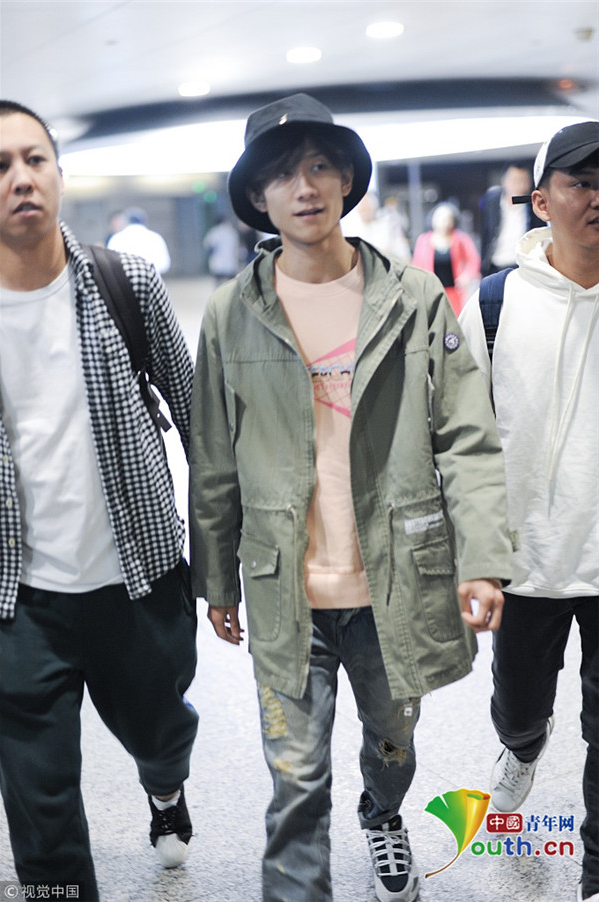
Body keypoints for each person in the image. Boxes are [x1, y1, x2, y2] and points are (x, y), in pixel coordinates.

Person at [188, 92, 512, 902]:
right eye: (281, 175)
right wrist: (217, 578)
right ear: (258, 198)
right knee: (295, 781)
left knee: (393, 745)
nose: (304, 187)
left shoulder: (412, 296)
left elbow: (466, 436)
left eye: (319, 167)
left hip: (394, 580)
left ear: (345, 181)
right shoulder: (231, 313)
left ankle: (382, 812)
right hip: (285, 590)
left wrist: (482, 559)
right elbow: (214, 457)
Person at [0, 100, 199, 900]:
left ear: (59, 172)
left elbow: (199, 419)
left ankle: (165, 787)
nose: (20, 178)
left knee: (161, 733)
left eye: (33, 159)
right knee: (39, 806)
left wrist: (224, 560)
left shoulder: (127, 283)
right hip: (18, 601)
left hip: (138, 581)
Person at [459, 120, 599, 902]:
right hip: (526, 560)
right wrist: (472, 554)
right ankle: (520, 748)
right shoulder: (495, 302)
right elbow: (458, 436)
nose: (598, 197)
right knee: (520, 707)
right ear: (542, 201)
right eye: (582, 183)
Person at [412, 202, 480, 315]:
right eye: (439, 218)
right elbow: (417, 266)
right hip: (433, 293)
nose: (443, 223)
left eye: (447, 219)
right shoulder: (423, 241)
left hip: (455, 293)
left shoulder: (460, 239)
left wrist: (466, 276)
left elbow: (473, 260)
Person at [479, 161, 545, 276]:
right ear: (504, 181)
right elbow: (485, 234)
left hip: (521, 266)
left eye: (523, 180)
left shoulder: (534, 207)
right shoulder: (492, 203)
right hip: (494, 265)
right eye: (514, 180)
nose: (518, 185)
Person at [107, 205, 171, 274]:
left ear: (125, 222)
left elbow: (110, 263)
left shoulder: (116, 238)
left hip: (124, 278)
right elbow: (164, 265)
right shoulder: (156, 237)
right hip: (151, 278)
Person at [203, 214, 242, 286]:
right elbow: (237, 248)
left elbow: (209, 248)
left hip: (218, 265)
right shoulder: (232, 232)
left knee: (219, 285)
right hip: (231, 264)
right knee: (232, 286)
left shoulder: (214, 232)